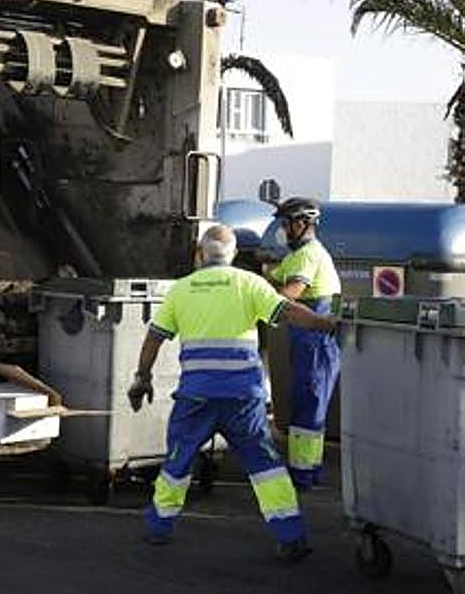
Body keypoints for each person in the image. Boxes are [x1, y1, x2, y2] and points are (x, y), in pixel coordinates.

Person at [126, 224, 337, 560]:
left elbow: (154, 338)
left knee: (178, 460)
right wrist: (328, 324)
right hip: (243, 397)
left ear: (199, 254)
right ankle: (290, 534)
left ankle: (159, 528)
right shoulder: (249, 283)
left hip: (196, 397)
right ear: (234, 254)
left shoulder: (181, 290)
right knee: (265, 466)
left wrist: (142, 379)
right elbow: (289, 312)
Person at [267, 196, 342, 490]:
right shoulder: (296, 255)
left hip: (315, 340)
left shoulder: (309, 254)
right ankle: (306, 468)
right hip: (307, 340)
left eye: (286, 224)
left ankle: (303, 474)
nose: (283, 230)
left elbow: (290, 293)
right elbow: (271, 280)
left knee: (310, 403)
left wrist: (260, 295)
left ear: (302, 224)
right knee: (305, 401)